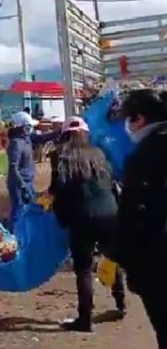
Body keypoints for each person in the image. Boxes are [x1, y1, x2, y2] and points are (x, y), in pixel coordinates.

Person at [48, 116, 125, 332]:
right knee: (111, 258)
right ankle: (120, 303)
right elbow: (110, 181)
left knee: (83, 268)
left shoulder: (61, 156)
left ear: (64, 134)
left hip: (81, 217)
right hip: (110, 212)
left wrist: (59, 214)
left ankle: (85, 319)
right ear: (85, 133)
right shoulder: (99, 153)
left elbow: (58, 189)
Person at [113, 89, 167, 348]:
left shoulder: (145, 156)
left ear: (140, 119)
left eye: (129, 119)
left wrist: (119, 256)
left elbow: (135, 215)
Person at [6, 111, 59, 231]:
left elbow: (42, 138)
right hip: (18, 183)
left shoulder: (27, 138)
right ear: (22, 127)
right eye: (28, 126)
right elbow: (13, 168)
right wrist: (22, 186)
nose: (30, 129)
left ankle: (23, 233)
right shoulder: (16, 144)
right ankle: (12, 234)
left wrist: (59, 132)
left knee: (28, 209)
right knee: (18, 210)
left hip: (27, 182)